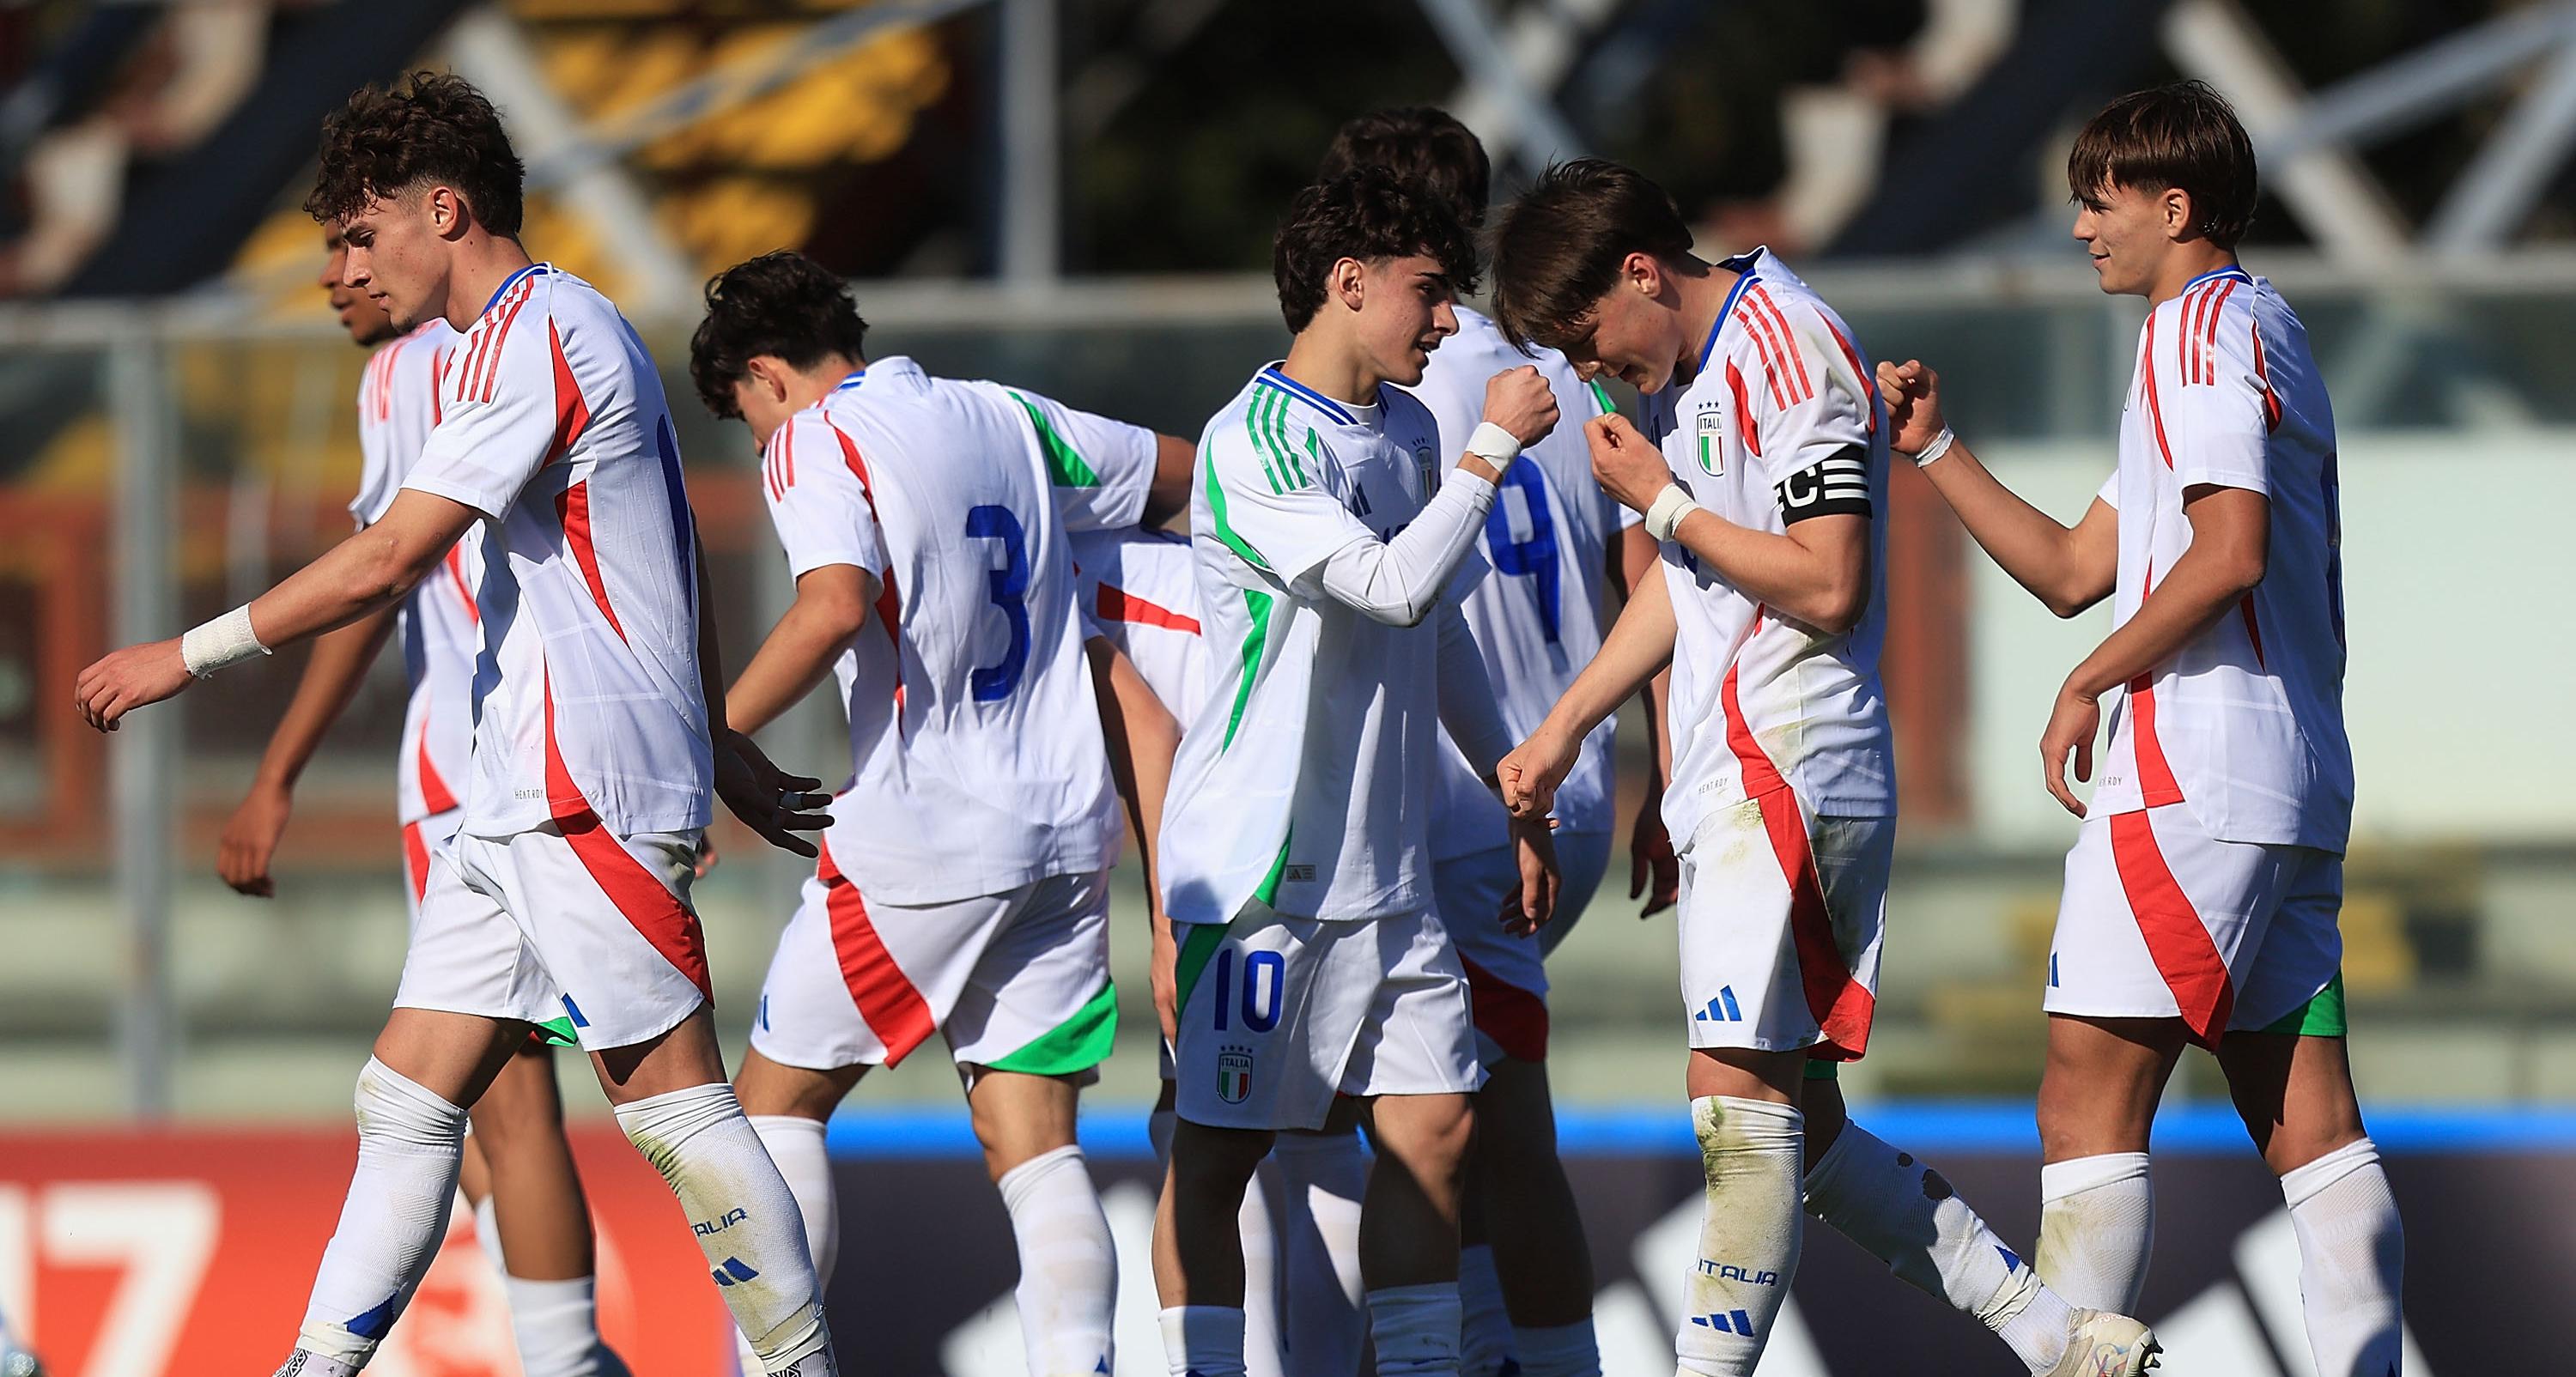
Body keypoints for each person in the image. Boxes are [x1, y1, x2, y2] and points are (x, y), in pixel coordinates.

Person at [72, 73, 838, 1377]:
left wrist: (183, 656)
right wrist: (718, 746)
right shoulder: (507, 342)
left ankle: (799, 1365)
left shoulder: (543, 329)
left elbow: (386, 563)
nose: (346, 265)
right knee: (406, 1098)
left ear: (446, 208)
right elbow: (667, 557)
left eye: (363, 234)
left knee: (669, 1107)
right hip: (516, 785)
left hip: (578, 779)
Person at [1487, 157, 2155, 1377]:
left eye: (1589, 339)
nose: (1593, 371)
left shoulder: (1787, 349)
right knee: (1809, 1133)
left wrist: (1667, 505)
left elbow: (1830, 582)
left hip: (1792, 763)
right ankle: (2055, 1336)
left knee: (1735, 1116)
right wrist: (1569, 726)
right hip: (1735, 768)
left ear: (1642, 271)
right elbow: (1694, 594)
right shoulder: (1683, 378)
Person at [1874, 81, 2402, 1377]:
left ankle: (2069, 1364)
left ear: (2176, 207)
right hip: (2289, 781)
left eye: (2098, 202)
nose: (2077, 230)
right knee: (2314, 1129)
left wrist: (2089, 684)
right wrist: (1937, 450)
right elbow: (2071, 566)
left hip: (2196, 774)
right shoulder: (2255, 326)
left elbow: (2226, 554)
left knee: (2086, 1090)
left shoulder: (2192, 337)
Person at [686, 248, 1197, 1376]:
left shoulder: (817, 440)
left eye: (747, 419)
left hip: (928, 833)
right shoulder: (1002, 415)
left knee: (770, 1107)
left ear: (766, 377)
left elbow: (828, 610)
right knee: (1032, 1139)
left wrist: (707, 738)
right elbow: (1192, 477)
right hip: (1068, 829)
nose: (761, 445)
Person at [1152, 164, 1563, 1377]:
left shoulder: (1417, 429)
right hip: (1264, 877)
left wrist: (1513, 784)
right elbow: (1385, 588)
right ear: (1347, 283)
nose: (1447, 323)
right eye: (1430, 293)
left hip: (1392, 877)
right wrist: (1495, 449)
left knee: (1436, 1129)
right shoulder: (1257, 439)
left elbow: (1437, 630)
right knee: (1217, 1159)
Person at [215, 220, 629, 1377]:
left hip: (471, 769)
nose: (335, 276)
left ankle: (569, 1361)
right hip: (547, 752)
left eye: (357, 242)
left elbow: (374, 583)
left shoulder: (412, 370)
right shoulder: (543, 336)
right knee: (492, 1110)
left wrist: (275, 772)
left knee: (509, 1105)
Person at [1318, 106, 1666, 1377]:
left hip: (1461, 796)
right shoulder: (1568, 358)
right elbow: (1649, 565)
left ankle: (1480, 1357)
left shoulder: (1380, 382)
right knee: (1476, 1118)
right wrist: (1659, 775)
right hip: (1563, 775)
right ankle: (1498, 1355)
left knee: (1446, 1128)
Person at [1074, 520, 1373, 1377]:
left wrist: (1170, 923)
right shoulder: (1159, 539)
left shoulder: (1051, 572)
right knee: (1321, 1126)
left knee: (1202, 1131)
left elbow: (1151, 732)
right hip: (1339, 823)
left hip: (1242, 851)